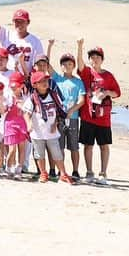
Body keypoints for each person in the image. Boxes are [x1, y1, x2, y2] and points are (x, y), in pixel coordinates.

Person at [77, 40, 121, 185]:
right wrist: (79, 47)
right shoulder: (87, 73)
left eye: (97, 57)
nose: (95, 59)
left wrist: (107, 92)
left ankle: (103, 173)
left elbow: (117, 93)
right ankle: (89, 172)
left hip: (103, 118)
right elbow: (80, 65)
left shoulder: (108, 76)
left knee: (104, 146)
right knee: (87, 145)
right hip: (88, 116)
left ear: (102, 59)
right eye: (92, 57)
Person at [23, 70, 74, 184]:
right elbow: (26, 113)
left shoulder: (54, 95)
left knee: (57, 153)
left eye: (46, 80)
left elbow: (59, 111)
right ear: (35, 85)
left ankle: (63, 173)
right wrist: (29, 123)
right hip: (37, 132)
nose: (45, 83)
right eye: (41, 82)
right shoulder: (32, 98)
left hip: (52, 131)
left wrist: (56, 123)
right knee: (39, 154)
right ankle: (43, 173)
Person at [48, 45, 86, 178]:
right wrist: (50, 46)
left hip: (73, 117)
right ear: (61, 66)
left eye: (70, 63)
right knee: (59, 146)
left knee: (74, 146)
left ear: (73, 66)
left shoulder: (78, 82)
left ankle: (75, 171)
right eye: (64, 64)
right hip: (59, 118)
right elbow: (47, 65)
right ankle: (61, 170)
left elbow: (81, 100)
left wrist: (71, 110)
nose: (67, 66)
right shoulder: (57, 78)